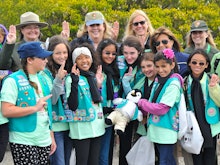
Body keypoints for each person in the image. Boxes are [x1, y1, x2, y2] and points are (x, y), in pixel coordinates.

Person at [1, 41, 56, 164]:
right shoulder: (12, 80)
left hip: (44, 139)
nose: (46, 61)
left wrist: (51, 136)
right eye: (42, 58)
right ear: (30, 60)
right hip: (23, 140)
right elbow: (6, 110)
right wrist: (34, 108)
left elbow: (48, 110)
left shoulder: (43, 78)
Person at [138, 48, 182, 165]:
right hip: (156, 129)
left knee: (165, 161)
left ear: (172, 65)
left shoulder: (173, 83)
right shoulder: (158, 80)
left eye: (164, 66)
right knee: (165, 160)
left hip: (166, 129)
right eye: (157, 66)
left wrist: (141, 102)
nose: (160, 70)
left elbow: (161, 109)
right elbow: (153, 100)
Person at [65, 43, 105, 165]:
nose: (84, 61)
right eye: (80, 58)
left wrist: (98, 85)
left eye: (86, 57)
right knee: (82, 161)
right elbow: (72, 105)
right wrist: (74, 82)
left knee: (94, 161)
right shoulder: (71, 79)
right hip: (81, 129)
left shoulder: (93, 77)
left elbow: (97, 101)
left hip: (97, 126)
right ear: (74, 61)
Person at [40, 35, 73, 165]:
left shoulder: (70, 70)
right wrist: (58, 79)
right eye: (57, 53)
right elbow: (52, 100)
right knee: (58, 162)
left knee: (67, 160)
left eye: (64, 52)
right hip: (55, 125)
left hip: (69, 123)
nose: (62, 56)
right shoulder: (45, 74)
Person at [0, 11, 70, 72]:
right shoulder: (13, 48)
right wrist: (9, 44)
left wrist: (63, 41)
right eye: (29, 28)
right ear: (22, 30)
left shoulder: (46, 46)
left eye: (36, 27)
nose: (33, 31)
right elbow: (3, 65)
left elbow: (60, 63)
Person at [184, 49, 220, 165]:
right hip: (193, 125)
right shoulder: (184, 81)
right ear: (189, 63)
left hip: (209, 124)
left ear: (206, 65)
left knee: (210, 157)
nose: (197, 66)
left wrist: (213, 88)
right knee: (196, 157)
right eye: (194, 62)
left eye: (201, 63)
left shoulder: (210, 80)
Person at [117, 35, 145, 165]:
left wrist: (126, 84)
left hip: (138, 111)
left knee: (136, 146)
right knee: (124, 146)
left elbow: (135, 96)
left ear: (139, 52)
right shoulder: (119, 62)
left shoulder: (142, 67)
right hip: (120, 110)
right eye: (126, 53)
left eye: (132, 53)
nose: (129, 57)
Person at [96, 38, 120, 165]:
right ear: (100, 52)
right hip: (97, 117)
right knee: (96, 155)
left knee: (105, 155)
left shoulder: (114, 72)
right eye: (107, 53)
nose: (110, 56)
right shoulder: (95, 70)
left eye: (113, 53)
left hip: (110, 118)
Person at [136, 52, 157, 137]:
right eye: (143, 67)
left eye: (149, 66)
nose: (146, 69)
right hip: (143, 121)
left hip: (156, 121)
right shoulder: (141, 82)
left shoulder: (161, 81)